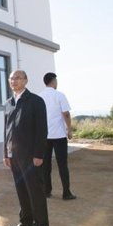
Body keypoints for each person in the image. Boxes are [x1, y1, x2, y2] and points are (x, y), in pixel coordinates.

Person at [3, 70, 49, 226]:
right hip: (13, 155)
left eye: (18, 78)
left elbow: (41, 130)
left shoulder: (36, 101)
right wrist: (5, 153)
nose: (14, 81)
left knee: (35, 191)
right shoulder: (8, 103)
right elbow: (5, 130)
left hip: (31, 156)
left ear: (26, 80)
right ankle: (26, 222)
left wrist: (39, 154)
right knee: (21, 190)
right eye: (12, 78)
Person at [40, 72, 76, 200]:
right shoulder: (60, 95)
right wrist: (69, 130)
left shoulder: (39, 97)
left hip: (45, 136)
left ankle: (46, 191)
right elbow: (65, 114)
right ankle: (66, 192)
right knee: (62, 165)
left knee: (45, 165)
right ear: (53, 82)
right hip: (59, 135)